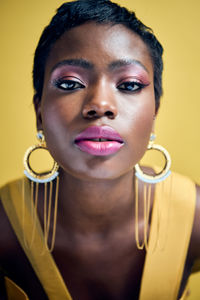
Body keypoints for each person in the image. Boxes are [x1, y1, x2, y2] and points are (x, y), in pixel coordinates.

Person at [0, 0, 199, 299]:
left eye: (129, 85)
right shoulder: (4, 227)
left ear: (155, 111)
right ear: (39, 112)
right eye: (70, 83)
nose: (100, 105)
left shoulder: (195, 218)